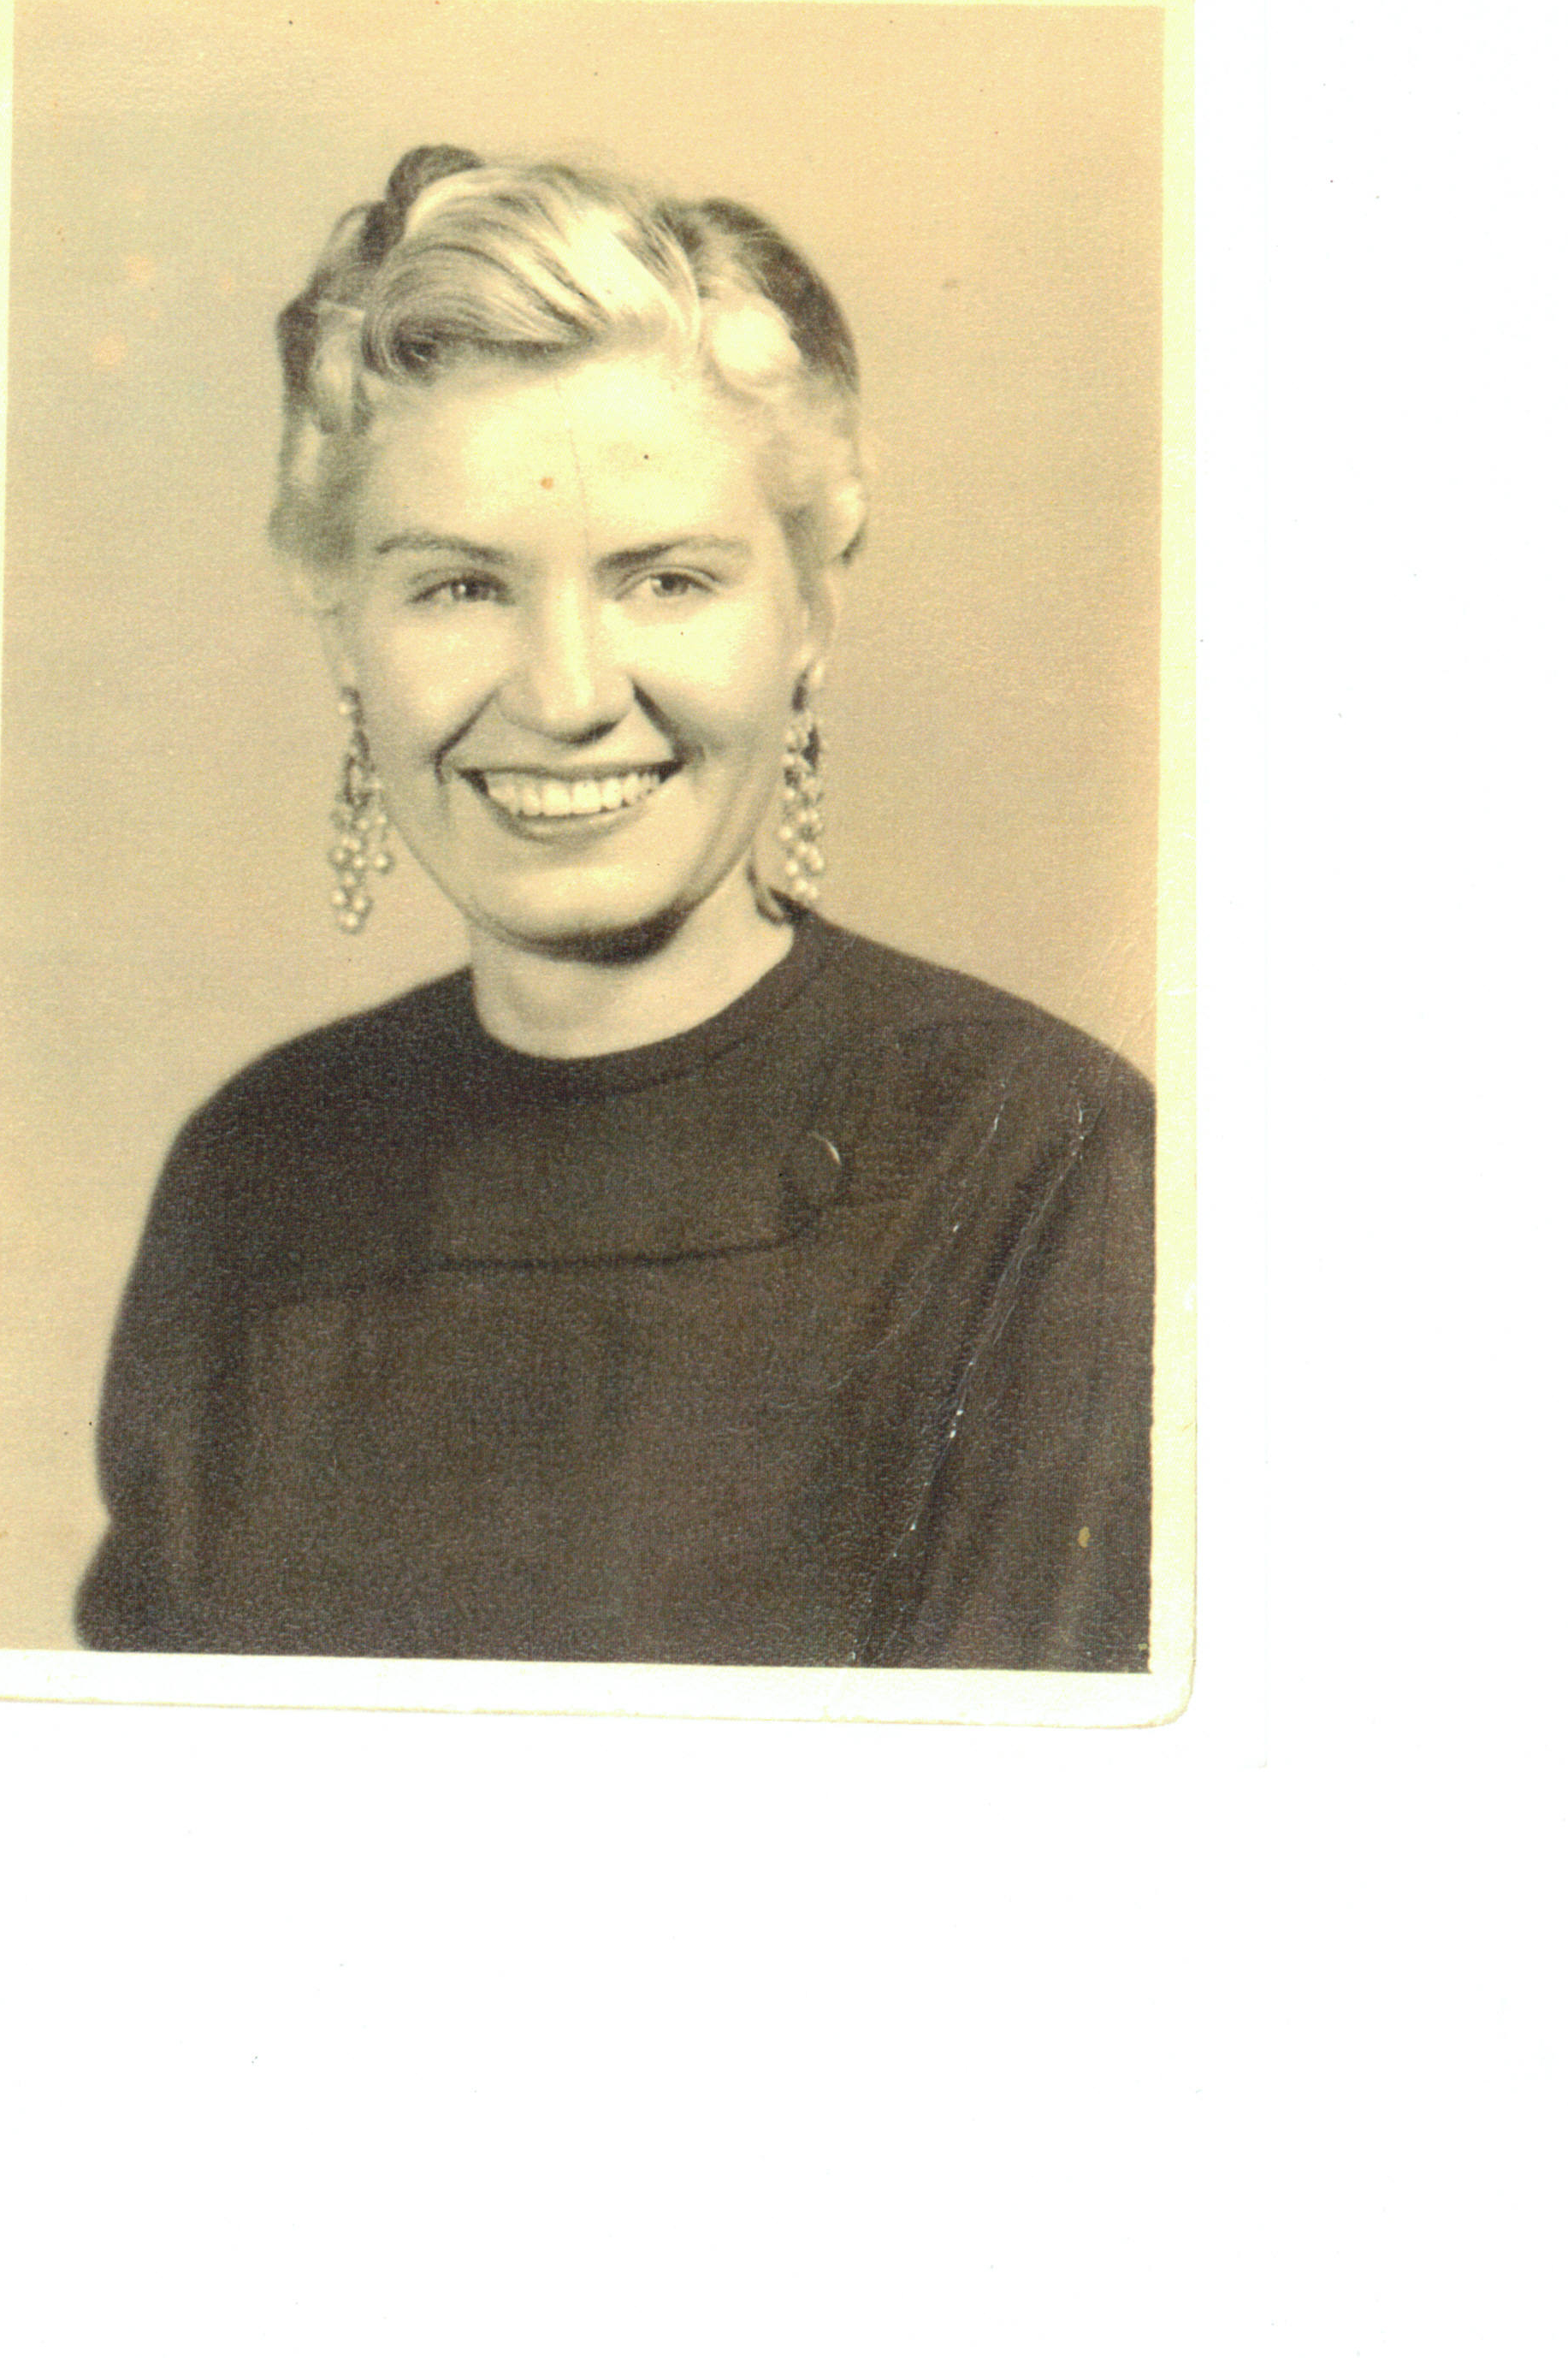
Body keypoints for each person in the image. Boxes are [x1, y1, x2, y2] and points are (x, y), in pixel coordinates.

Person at [74, 146, 1154, 1671]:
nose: (567, 695)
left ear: (812, 613)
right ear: (342, 626)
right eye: (462, 587)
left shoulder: (1040, 1156)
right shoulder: (255, 1166)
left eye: (667, 581)